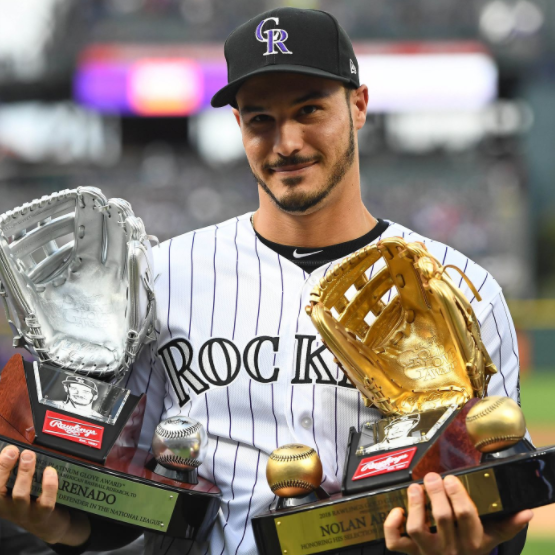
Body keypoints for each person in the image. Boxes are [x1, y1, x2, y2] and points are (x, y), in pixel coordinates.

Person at [0, 7, 533, 555]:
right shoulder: (163, 278)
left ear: (359, 105)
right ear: (238, 126)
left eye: (310, 110)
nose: (287, 142)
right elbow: (131, 487)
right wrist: (64, 527)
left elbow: (505, 488)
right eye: (261, 120)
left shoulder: (462, 286)